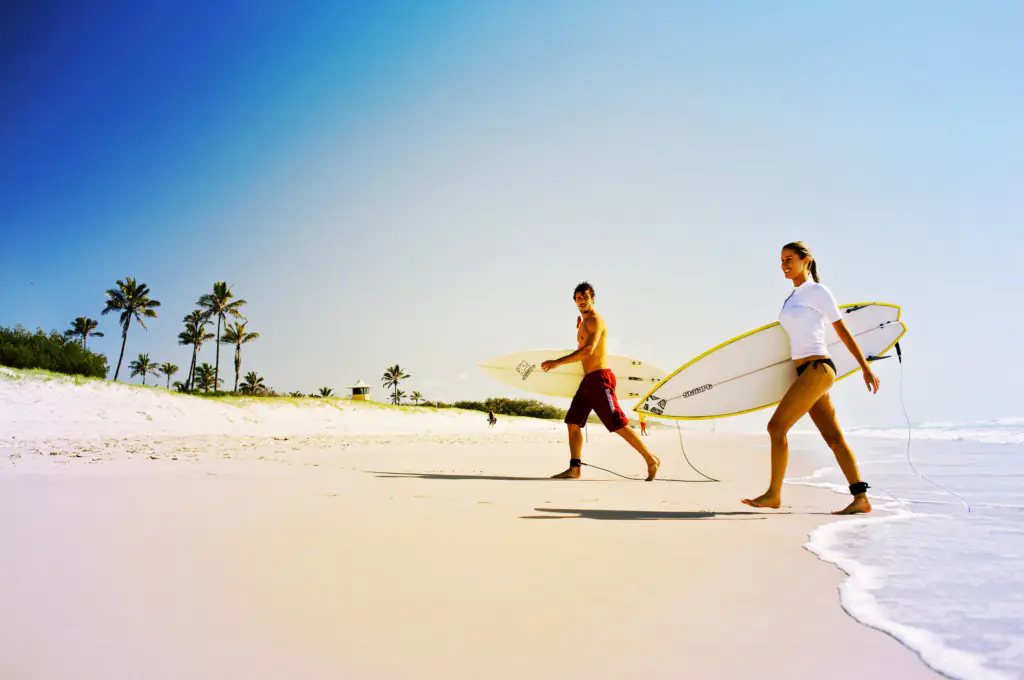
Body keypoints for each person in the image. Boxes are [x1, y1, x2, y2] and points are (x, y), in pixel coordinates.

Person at [742, 242, 878, 515]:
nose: (784, 265)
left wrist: (865, 367)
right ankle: (860, 498)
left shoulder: (818, 292)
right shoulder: (792, 297)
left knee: (776, 427)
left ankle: (773, 494)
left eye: (789, 259)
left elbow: (841, 330)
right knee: (834, 438)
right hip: (804, 372)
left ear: (806, 260)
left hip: (818, 368)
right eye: (781, 260)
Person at [542, 282, 660, 481]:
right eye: (578, 298)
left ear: (593, 298)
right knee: (572, 422)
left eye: (585, 297)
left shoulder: (596, 320)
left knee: (618, 423)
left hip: (600, 379)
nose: (582, 301)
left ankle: (650, 459)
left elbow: (589, 350)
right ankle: (574, 468)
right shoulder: (583, 322)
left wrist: (557, 363)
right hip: (587, 381)